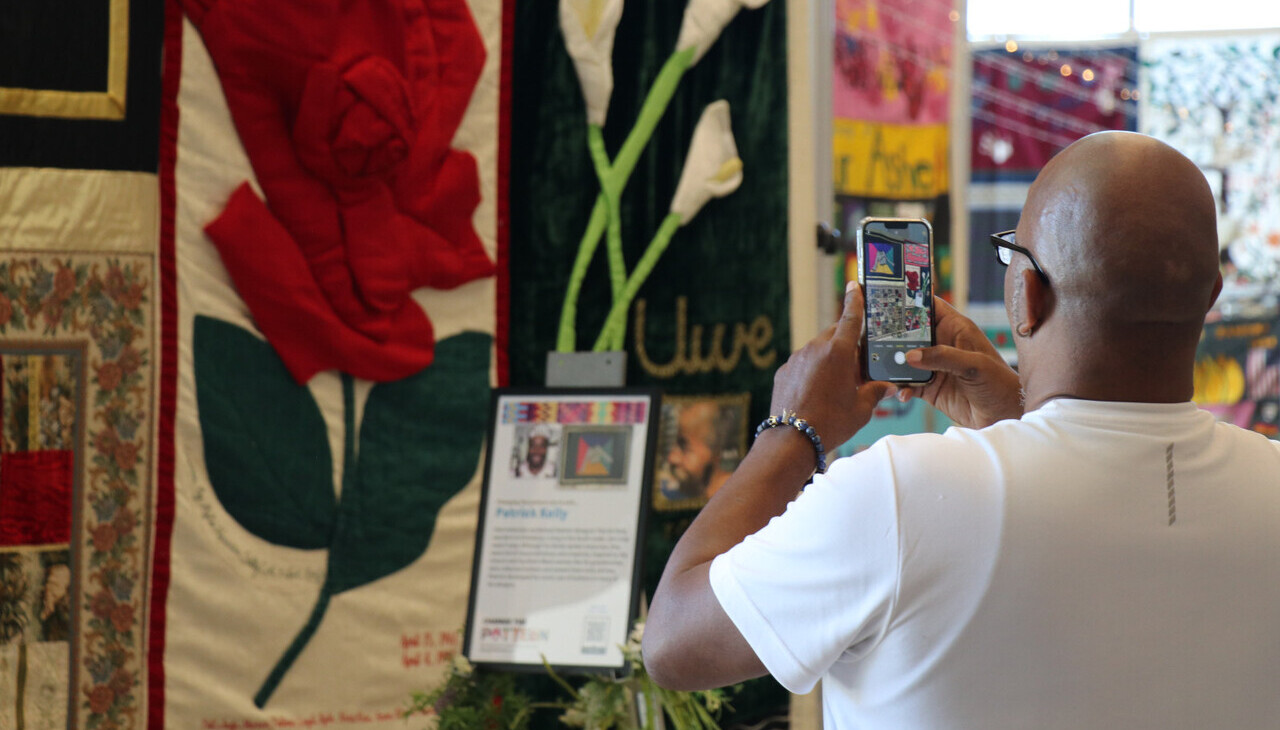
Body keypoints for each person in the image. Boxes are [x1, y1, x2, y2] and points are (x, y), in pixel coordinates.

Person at [643, 132, 1280, 729]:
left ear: (1026, 294)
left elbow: (673, 643)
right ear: (1210, 297)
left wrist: (792, 430)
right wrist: (1020, 424)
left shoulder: (902, 493)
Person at [663, 400, 734, 500]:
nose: (672, 458)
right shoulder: (675, 493)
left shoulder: (732, 494)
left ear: (714, 450)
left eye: (685, 448)